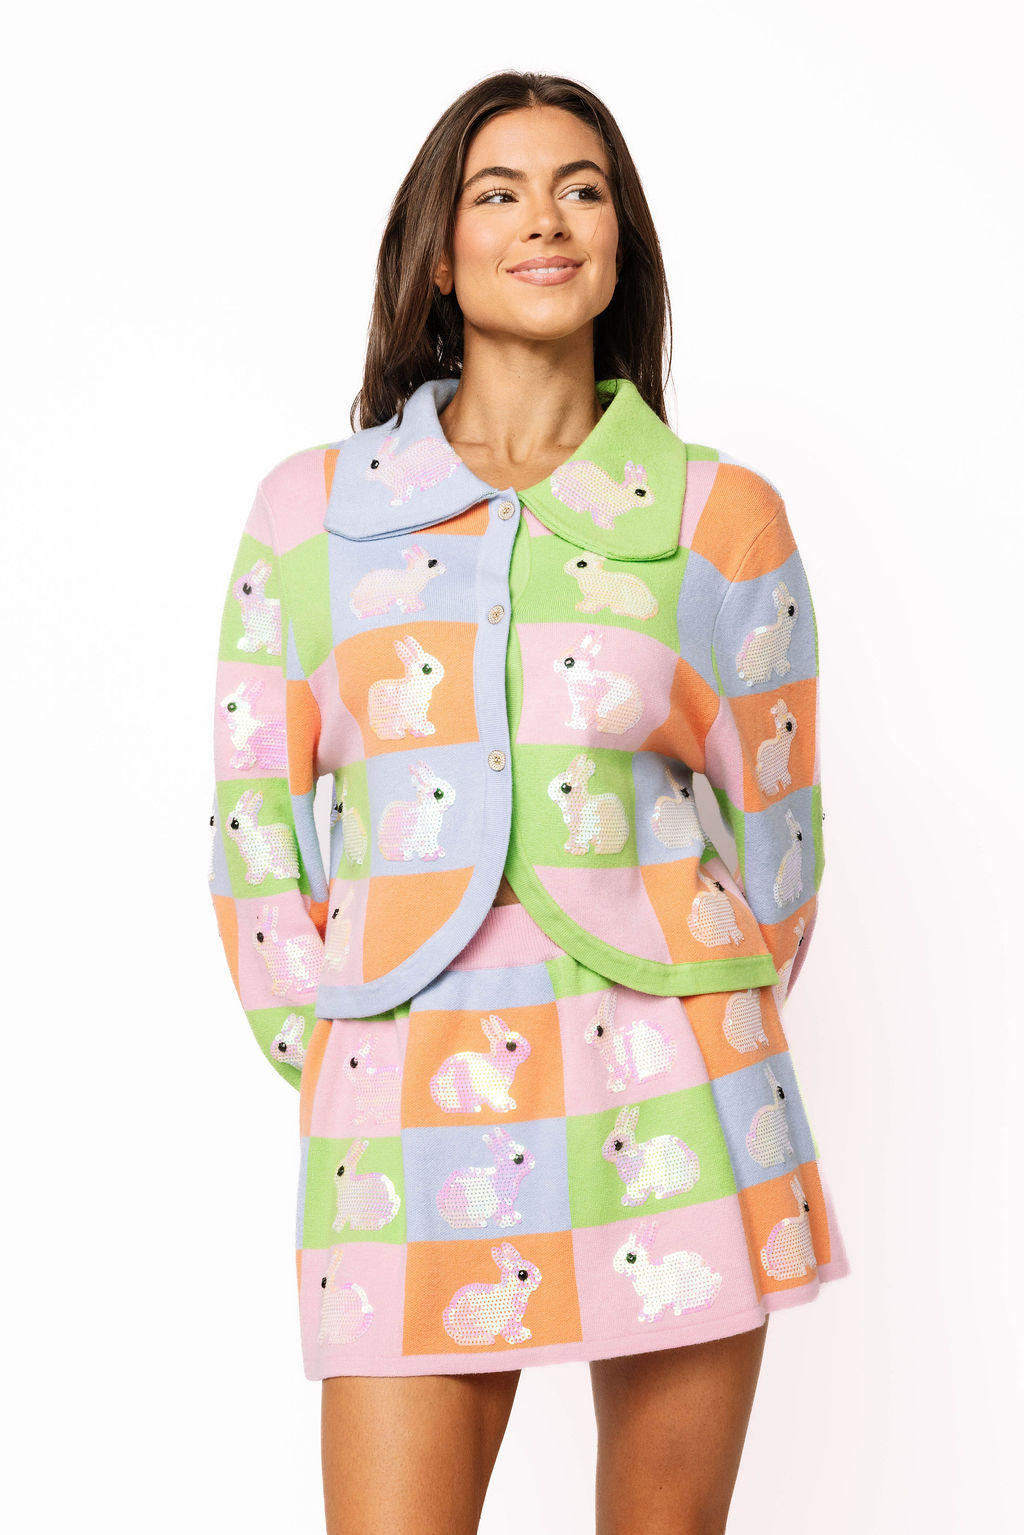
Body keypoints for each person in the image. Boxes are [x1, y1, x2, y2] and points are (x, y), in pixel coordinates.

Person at [208, 70, 852, 1535]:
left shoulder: (718, 517)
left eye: (582, 189)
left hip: (674, 1085)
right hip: (407, 1091)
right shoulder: (313, 515)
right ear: (440, 254)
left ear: (621, 242)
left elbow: (783, 843)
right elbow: (254, 823)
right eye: (498, 192)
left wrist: (700, 1005)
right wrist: (337, 1045)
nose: (545, 220)